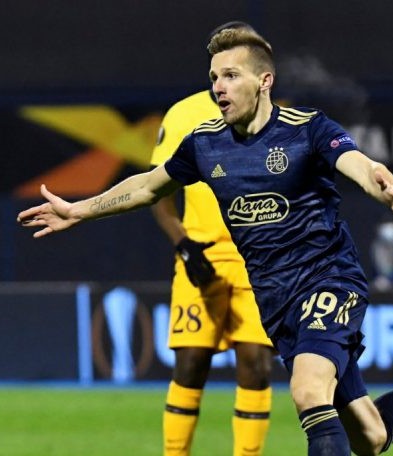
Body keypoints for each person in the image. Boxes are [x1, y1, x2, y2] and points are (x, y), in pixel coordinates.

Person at [18, 26, 393, 455]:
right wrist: (78, 209)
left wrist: (378, 179)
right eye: (214, 77)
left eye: (230, 76)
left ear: (264, 81)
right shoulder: (205, 144)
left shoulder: (306, 129)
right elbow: (148, 186)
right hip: (275, 300)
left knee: (308, 391)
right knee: (370, 436)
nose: (218, 87)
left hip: (328, 281)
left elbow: (354, 162)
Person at [150, 21, 274, 456]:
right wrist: (183, 245)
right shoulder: (183, 115)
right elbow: (156, 192)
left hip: (257, 261)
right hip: (200, 255)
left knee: (256, 364)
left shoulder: (278, 120)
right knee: (191, 364)